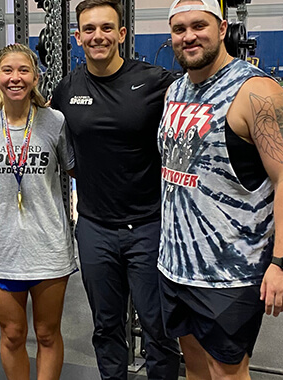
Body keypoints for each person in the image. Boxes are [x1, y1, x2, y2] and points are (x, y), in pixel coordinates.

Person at [159, 1, 283, 379]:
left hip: (231, 271)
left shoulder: (257, 92)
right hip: (176, 265)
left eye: (199, 26)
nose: (188, 36)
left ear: (223, 29)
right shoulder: (175, 91)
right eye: (179, 29)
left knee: (226, 372)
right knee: (192, 366)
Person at [50, 1, 181, 379]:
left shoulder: (157, 82)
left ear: (122, 34)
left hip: (148, 227)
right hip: (94, 227)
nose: (98, 36)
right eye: (89, 29)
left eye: (107, 28)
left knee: (159, 330)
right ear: (77, 37)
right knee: (106, 327)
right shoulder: (67, 90)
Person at [0, 43, 76, 380]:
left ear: (36, 77)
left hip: (49, 246)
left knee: (46, 334)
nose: (16, 78)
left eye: (23, 71)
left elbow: (75, 169)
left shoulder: (54, 121)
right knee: (12, 335)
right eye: (8, 71)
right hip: (2, 247)